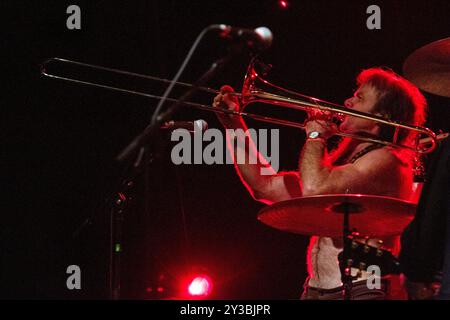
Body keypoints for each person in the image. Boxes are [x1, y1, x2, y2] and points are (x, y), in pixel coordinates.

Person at [212, 67, 427, 299]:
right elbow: (263, 186)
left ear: (383, 115)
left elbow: (315, 188)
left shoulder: (387, 160)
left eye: (360, 98)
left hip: (363, 291)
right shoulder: (346, 165)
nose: (348, 101)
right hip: (318, 289)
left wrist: (315, 137)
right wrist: (234, 125)